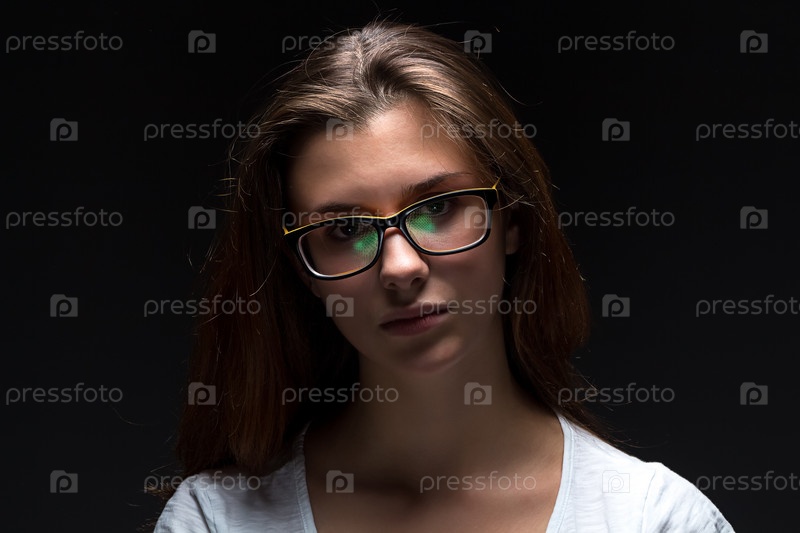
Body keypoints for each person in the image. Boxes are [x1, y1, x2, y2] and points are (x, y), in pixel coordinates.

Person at [151, 20, 735, 532]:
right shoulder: (216, 520)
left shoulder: (652, 519)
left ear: (513, 221)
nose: (400, 267)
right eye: (344, 229)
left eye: (438, 208)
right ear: (303, 271)